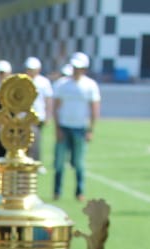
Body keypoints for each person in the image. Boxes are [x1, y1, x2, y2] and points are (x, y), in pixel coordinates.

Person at [51, 52, 100, 201]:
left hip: (80, 128)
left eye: (79, 68)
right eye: (74, 67)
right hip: (64, 126)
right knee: (59, 161)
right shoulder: (62, 84)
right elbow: (56, 107)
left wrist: (91, 129)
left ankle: (79, 191)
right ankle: (57, 191)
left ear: (84, 69)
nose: (76, 70)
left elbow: (94, 108)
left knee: (79, 162)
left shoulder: (90, 85)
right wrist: (57, 128)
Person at [23, 56, 53, 161]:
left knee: (35, 140)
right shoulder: (22, 81)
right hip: (23, 117)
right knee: (23, 140)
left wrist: (48, 115)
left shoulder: (44, 82)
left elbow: (48, 99)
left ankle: (35, 161)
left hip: (38, 116)